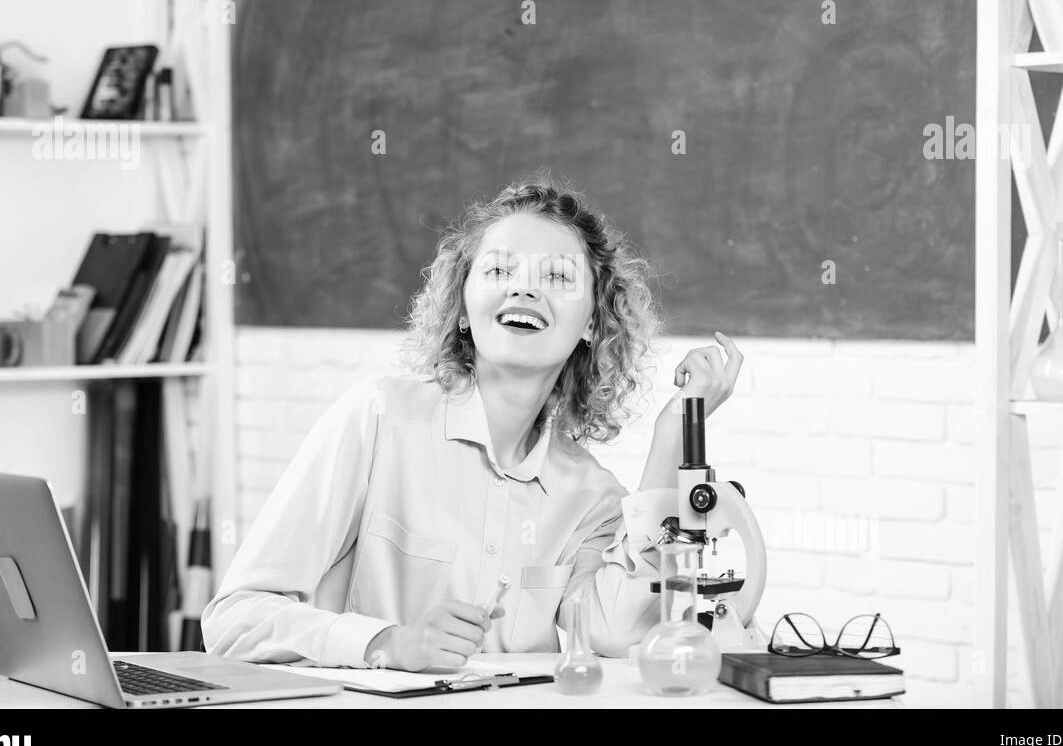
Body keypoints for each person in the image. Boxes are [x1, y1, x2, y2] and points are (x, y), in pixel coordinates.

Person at [201, 176, 743, 670]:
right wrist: (386, 642)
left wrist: (675, 432)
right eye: (499, 271)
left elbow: (617, 632)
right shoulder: (379, 419)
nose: (524, 289)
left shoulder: (592, 497)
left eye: (557, 276)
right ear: (462, 307)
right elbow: (235, 618)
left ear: (592, 324)